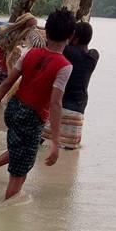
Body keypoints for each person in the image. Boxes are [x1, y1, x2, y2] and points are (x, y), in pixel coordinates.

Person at [0, 7, 76, 200]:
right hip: (32, 117)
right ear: (70, 36)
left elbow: (5, 84)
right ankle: (7, 215)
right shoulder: (64, 66)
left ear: (48, 31)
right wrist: (55, 141)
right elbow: (55, 103)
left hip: (14, 110)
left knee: (18, 151)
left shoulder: (29, 54)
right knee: (19, 174)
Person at [41, 20, 99, 149]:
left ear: (74, 38)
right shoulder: (93, 57)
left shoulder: (68, 51)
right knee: (69, 150)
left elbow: (54, 43)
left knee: (40, 144)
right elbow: (87, 50)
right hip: (78, 110)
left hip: (58, 105)